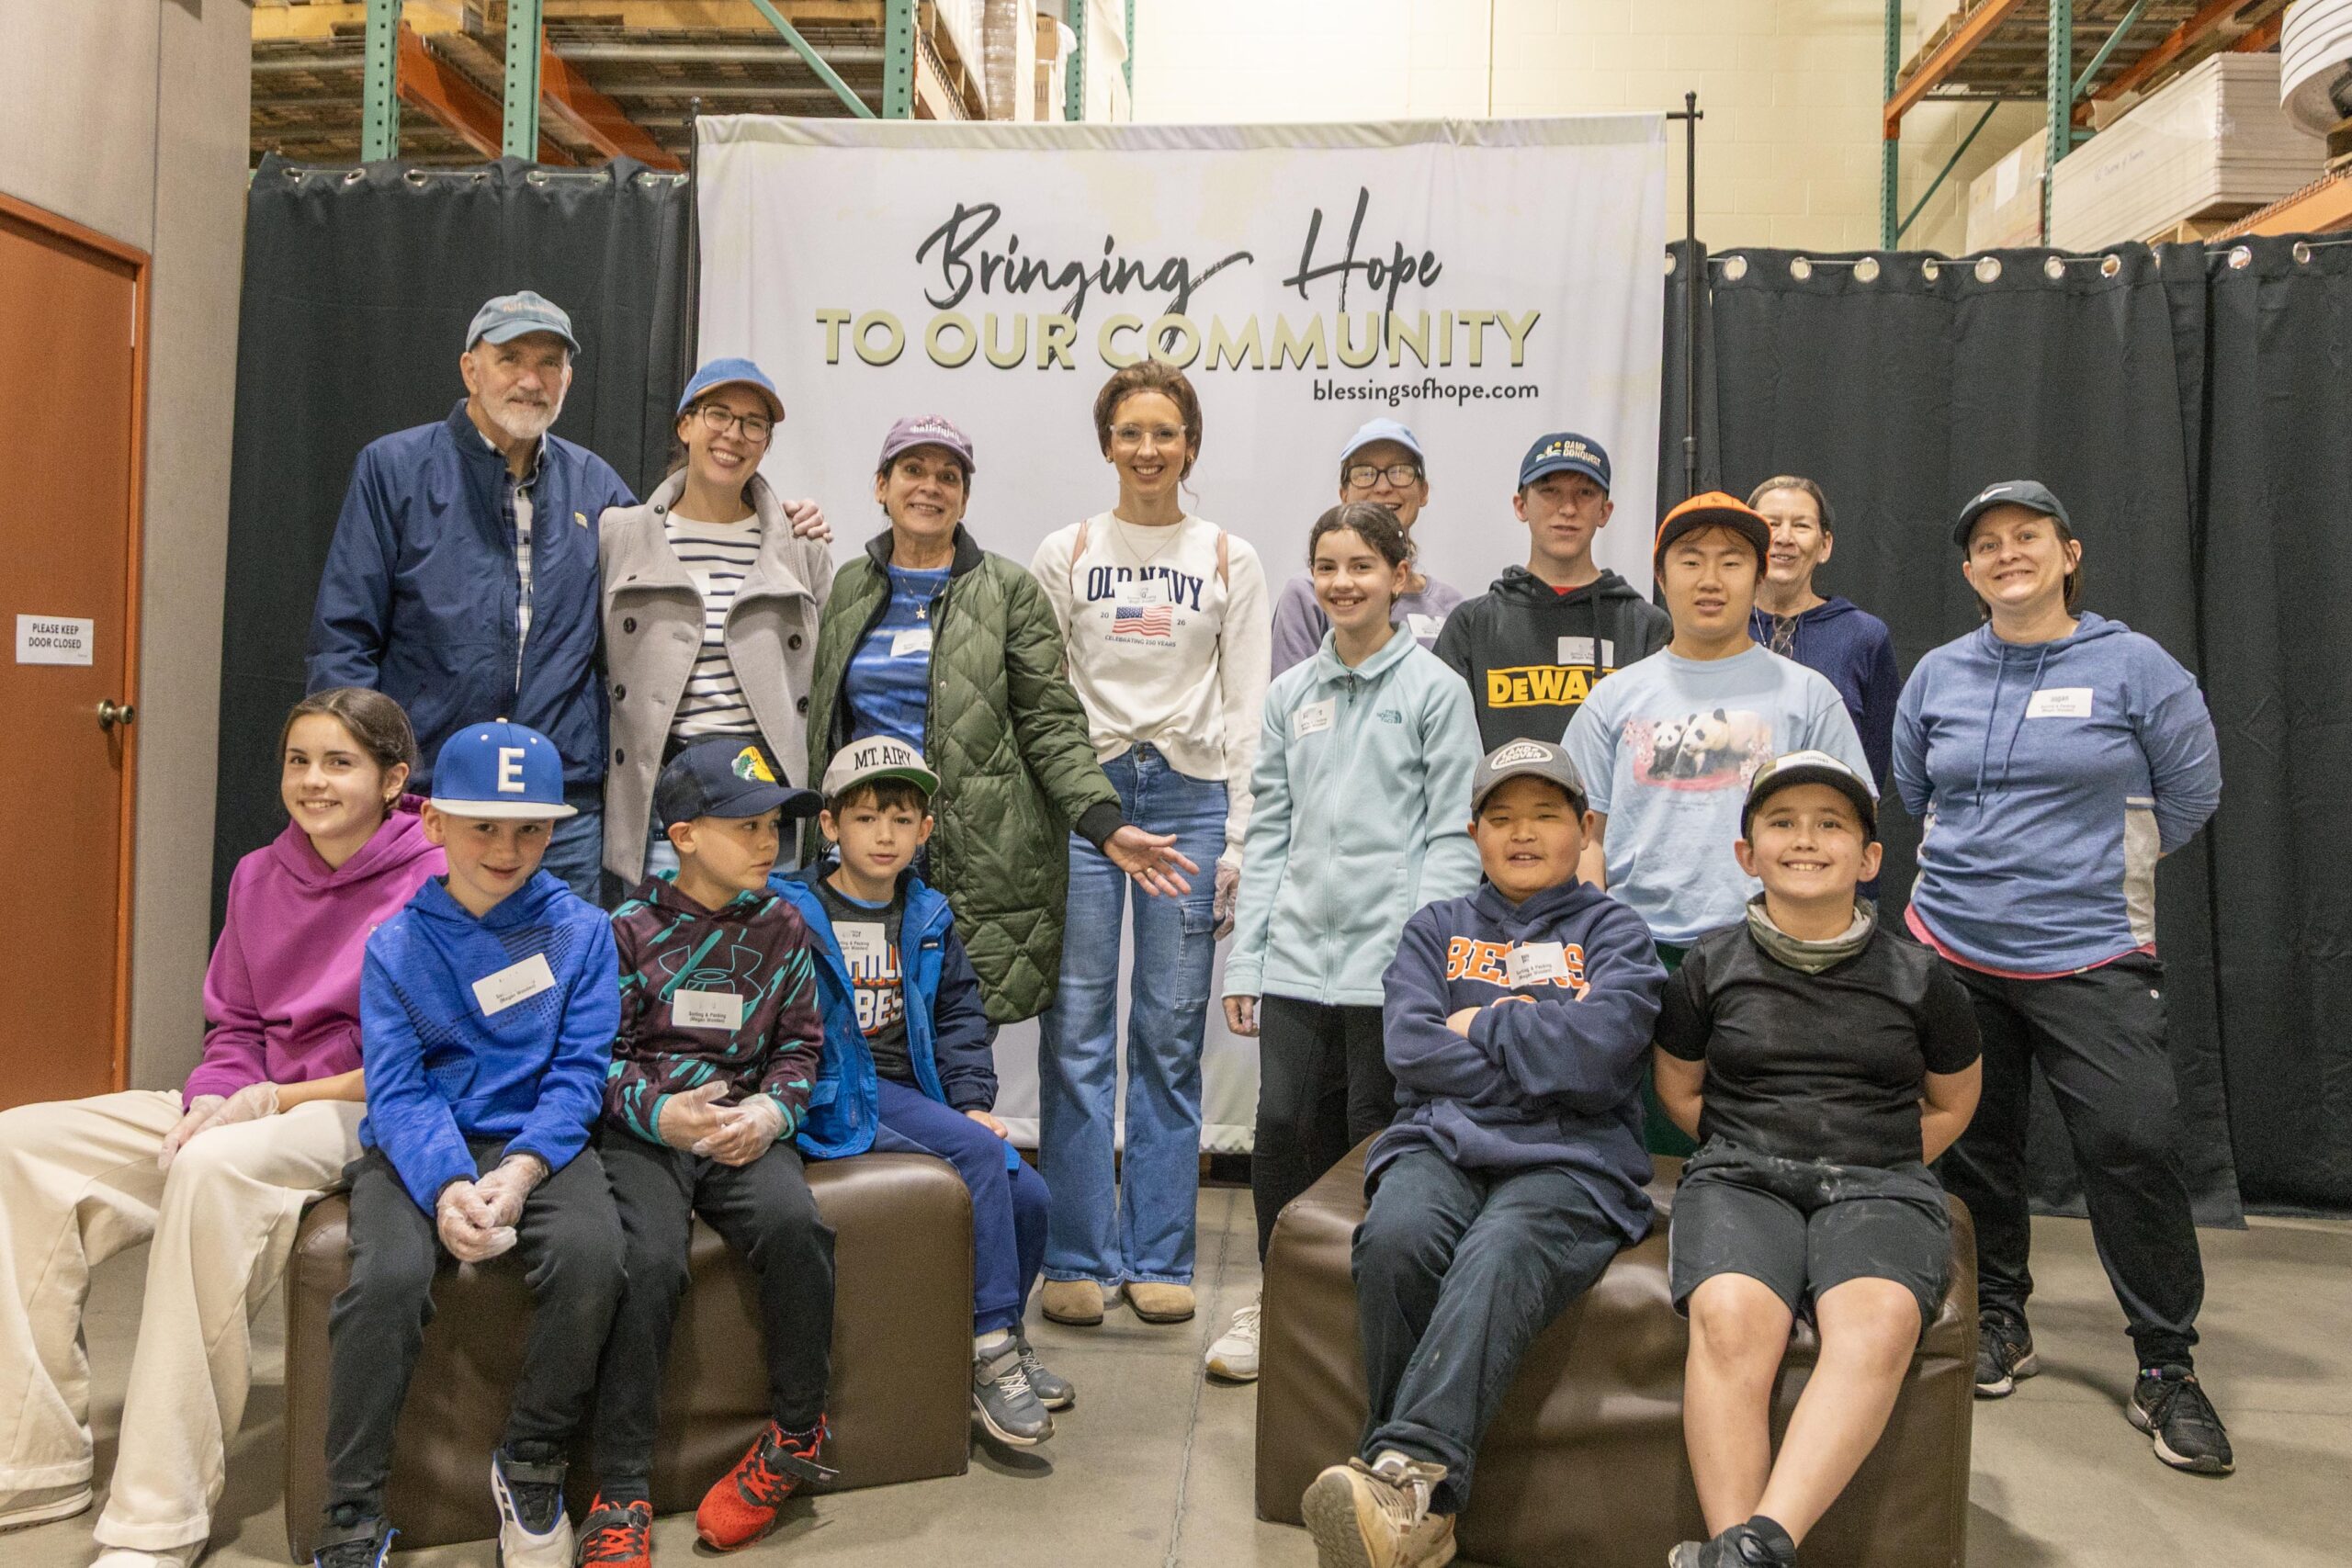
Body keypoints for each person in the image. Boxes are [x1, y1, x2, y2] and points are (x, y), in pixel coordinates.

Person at [0, 691, 440, 1568]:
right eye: (298, 760)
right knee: (23, 1143)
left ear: (394, 780)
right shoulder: (257, 874)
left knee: (213, 1172)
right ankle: (34, 1463)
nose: (312, 781)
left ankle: (157, 1519)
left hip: (360, 1106)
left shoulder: (433, 880)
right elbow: (235, 1025)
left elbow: (418, 1054)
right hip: (254, 1098)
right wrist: (214, 1097)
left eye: (339, 762)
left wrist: (270, 1104)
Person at [1895, 479, 2229, 1474]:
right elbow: (1913, 789)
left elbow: (2193, 792)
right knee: (1980, 1150)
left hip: (2091, 954)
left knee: (2132, 1144)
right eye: (1987, 545)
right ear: (1968, 570)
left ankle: (2165, 1366)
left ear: (2067, 552)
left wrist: (2085, 875)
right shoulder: (1940, 673)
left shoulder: (2135, 667)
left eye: (2026, 537)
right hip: (1950, 952)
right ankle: (2000, 1318)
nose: (2007, 554)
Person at [306, 291, 828, 900]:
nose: (532, 378)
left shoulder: (598, 488)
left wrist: (786, 516)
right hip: (436, 795)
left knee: (562, 982)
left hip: (562, 805)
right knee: (435, 976)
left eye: (550, 362)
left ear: (569, 379)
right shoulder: (394, 470)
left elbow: (670, 575)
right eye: (511, 358)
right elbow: (344, 638)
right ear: (470, 368)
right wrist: (351, 774)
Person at [1300, 740, 1665, 1568]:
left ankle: (1403, 1481)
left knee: (1499, 1249)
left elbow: (1604, 1057)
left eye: (1544, 814)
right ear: (1474, 833)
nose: (1522, 832)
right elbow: (1412, 1051)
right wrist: (1545, 1056)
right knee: (1396, 1237)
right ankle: (1409, 1505)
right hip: (1441, 1143)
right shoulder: (1437, 928)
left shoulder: (1617, 932)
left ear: (1584, 827)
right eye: (1501, 817)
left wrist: (1485, 1025)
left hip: (1572, 1162)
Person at [1654, 750, 1982, 1568]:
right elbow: (1680, 1090)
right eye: (1782, 823)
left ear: (1869, 859)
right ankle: (1747, 1552)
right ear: (1747, 853)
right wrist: (1755, 1146)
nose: (1807, 840)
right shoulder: (1709, 964)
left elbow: (1952, 1102)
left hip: (1880, 1184)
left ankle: (1752, 1550)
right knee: (1730, 1316)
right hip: (1739, 1174)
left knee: (1877, 1320)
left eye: (1831, 824)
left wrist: (1875, 1157)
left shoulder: (1920, 977)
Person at [311, 721, 624, 1568]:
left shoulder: (586, 933)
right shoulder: (395, 944)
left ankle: (531, 1458)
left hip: (537, 1143)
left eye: (530, 826)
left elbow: (578, 1076)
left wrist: (520, 1172)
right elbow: (401, 1089)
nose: (507, 846)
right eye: (482, 823)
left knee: (596, 1253)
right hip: (423, 1144)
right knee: (386, 1279)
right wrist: (450, 1184)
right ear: (434, 823)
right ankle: (350, 1512)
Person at [803, 414, 1195, 1030]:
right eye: (913, 470)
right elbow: (825, 723)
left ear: (964, 496)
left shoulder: (1009, 590)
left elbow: (1050, 722)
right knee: (855, 1033)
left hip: (974, 855)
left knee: (956, 1041)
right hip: (864, 846)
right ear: (881, 486)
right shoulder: (850, 585)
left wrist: (1103, 822)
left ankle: (959, 1130)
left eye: (948, 475)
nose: (930, 487)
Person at [1211, 502, 1481, 1382]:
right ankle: (1276, 1298)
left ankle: (1362, 1310)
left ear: (1400, 576)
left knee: (1373, 1139)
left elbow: (1450, 834)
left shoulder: (1436, 690)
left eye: (1362, 564)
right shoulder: (1294, 695)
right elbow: (1271, 834)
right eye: (1327, 566)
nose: (1343, 582)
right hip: (1294, 963)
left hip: (1388, 973)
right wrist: (1247, 959)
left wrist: (1424, 957)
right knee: (1283, 1129)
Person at [1030, 362, 1271, 1329]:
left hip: (1189, 798)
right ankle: (1079, 1255)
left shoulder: (1227, 556)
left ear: (1191, 445)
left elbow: (1249, 703)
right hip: (1089, 804)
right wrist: (1069, 803)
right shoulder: (1069, 549)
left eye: (1165, 431)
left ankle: (1160, 1252)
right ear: (1106, 444)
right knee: (1077, 1027)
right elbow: (1044, 698)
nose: (1147, 448)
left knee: (1168, 1036)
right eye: (1130, 430)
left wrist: (1240, 839)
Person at [577, 739, 835, 1568]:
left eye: (773, 826)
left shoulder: (784, 924)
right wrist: (662, 1114)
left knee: (796, 1224)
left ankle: (796, 1435)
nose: (769, 842)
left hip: (739, 1126)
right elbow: (598, 1061)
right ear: (684, 835)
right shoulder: (625, 930)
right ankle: (619, 1491)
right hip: (648, 1131)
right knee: (646, 1260)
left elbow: (801, 1050)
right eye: (747, 825)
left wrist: (768, 1113)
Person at [775, 736, 1070, 1450]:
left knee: (1030, 1194)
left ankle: (1004, 1330)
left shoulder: (928, 915)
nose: (885, 835)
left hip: (912, 1094)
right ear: (830, 826)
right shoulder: (791, 910)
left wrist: (971, 1101)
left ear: (925, 830)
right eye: (867, 817)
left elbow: (960, 1018)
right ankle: (988, 1351)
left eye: (902, 819)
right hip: (833, 1098)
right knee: (974, 1161)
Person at [1565, 492, 1869, 1154]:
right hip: (1638, 955)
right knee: (1640, 1150)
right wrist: (1596, 934)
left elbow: (1850, 830)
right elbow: (1585, 834)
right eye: (1691, 560)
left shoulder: (1807, 696)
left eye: (1732, 562)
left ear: (1760, 578)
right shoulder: (1614, 698)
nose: (1710, 579)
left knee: (1754, 1141)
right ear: (1660, 575)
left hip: (1768, 957)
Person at [602, 357, 835, 889]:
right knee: (665, 964)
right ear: (685, 424)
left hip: (765, 804)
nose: (735, 434)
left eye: (755, 423)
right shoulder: (621, 537)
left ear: (767, 442)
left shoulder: (802, 548)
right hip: (666, 802)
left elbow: (824, 683)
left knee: (760, 962)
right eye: (718, 414)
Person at [1434, 431, 1669, 750]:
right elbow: (1445, 751)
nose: (1568, 508)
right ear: (1521, 506)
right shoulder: (1473, 625)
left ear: (1604, 511)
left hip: (1607, 803)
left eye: (1585, 492)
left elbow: (1657, 752)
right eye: (1550, 491)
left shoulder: (1646, 626)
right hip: (1498, 802)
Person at [1268, 420, 1464, 675]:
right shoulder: (1308, 595)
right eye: (1364, 473)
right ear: (1344, 494)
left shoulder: (1451, 607)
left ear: (1423, 491)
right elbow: (1292, 702)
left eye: (1400, 471)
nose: (1383, 487)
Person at [1745, 476, 1900, 788]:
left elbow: (1872, 765)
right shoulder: (1717, 629)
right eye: (1771, 523)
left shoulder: (1863, 636)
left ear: (1824, 545)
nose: (1784, 537)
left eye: (1801, 526)